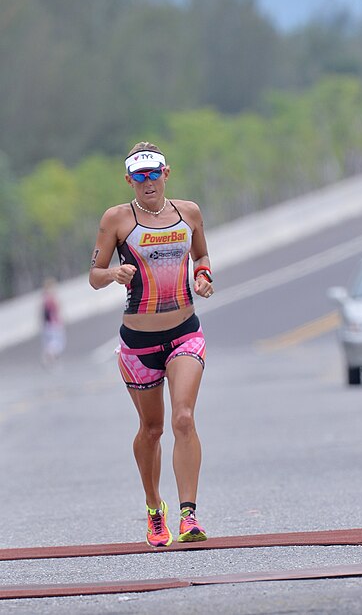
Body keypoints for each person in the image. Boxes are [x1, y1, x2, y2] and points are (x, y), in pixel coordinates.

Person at [89, 141, 214, 547]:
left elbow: (202, 257)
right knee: (152, 428)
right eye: (139, 176)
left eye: (154, 173)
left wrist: (204, 278)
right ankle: (153, 506)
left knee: (183, 418)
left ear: (166, 173)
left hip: (184, 333)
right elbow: (94, 275)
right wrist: (114, 274)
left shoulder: (188, 212)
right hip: (138, 343)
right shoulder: (117, 219)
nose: (148, 183)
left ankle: (188, 515)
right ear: (129, 179)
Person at [41, 277, 66, 366]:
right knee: (57, 343)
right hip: (54, 323)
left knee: (51, 343)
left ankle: (50, 359)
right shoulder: (51, 299)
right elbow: (56, 311)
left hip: (48, 324)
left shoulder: (44, 299)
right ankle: (49, 357)